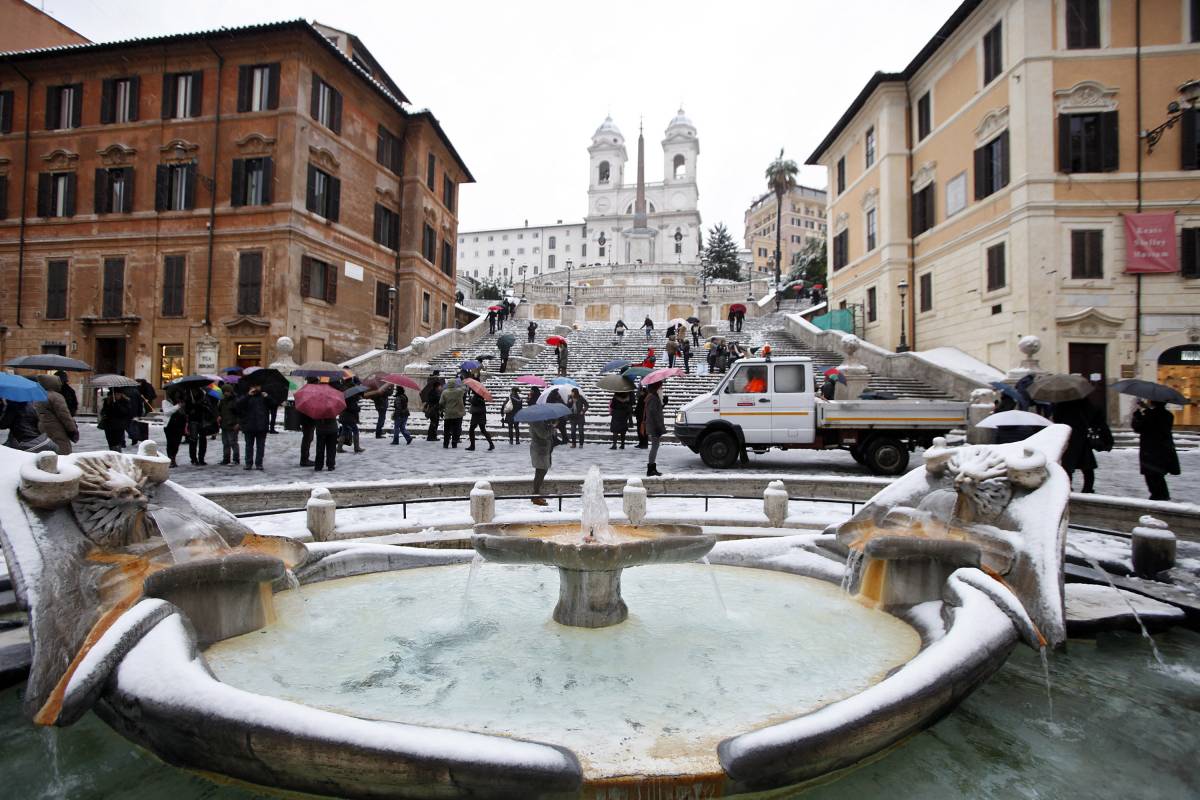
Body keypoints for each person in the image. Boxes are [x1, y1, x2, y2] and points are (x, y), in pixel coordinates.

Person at [1132, 400, 1180, 501]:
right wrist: (1146, 409)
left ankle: (1158, 496)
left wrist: (1137, 416)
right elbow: (1156, 419)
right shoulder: (1168, 415)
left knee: (1151, 475)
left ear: (1154, 403)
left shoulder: (1151, 415)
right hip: (1163, 449)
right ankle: (1162, 495)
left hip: (1150, 450)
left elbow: (1138, 427)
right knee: (1158, 474)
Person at [1052, 398, 1102, 493]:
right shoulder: (1085, 402)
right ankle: (1088, 488)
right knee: (1087, 466)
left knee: (1067, 466)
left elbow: (1057, 419)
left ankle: (1067, 487)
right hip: (1082, 436)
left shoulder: (1062, 403)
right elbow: (1094, 416)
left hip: (1068, 436)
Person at [33, 374, 78, 455]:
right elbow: (64, 415)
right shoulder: (56, 396)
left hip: (42, 426)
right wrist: (72, 429)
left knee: (47, 449)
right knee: (63, 450)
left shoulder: (39, 395)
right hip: (56, 428)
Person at [235, 384, 276, 470]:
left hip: (262, 426)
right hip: (249, 426)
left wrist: (268, 397)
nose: (256, 388)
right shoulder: (247, 396)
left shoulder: (264, 397)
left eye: (258, 386)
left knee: (260, 446)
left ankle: (259, 463)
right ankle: (248, 463)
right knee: (249, 446)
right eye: (254, 386)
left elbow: (274, 405)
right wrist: (247, 395)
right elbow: (238, 405)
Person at [528, 418, 556, 506]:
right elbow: (543, 434)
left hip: (542, 450)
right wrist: (552, 428)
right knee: (540, 472)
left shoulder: (539, 421)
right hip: (540, 451)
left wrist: (549, 426)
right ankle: (535, 496)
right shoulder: (536, 422)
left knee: (541, 472)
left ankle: (536, 495)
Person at [185, 388, 215, 465]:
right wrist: (191, 408)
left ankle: (201, 458)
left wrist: (202, 405)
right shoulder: (188, 396)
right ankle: (193, 458)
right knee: (193, 440)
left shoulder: (204, 395)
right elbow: (186, 409)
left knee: (203, 440)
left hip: (202, 420)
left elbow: (209, 407)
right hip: (193, 421)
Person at [643, 382, 666, 477]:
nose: (661, 388)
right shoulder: (652, 397)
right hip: (654, 426)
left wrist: (663, 404)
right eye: (660, 386)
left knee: (655, 447)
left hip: (654, 425)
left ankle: (652, 468)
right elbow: (653, 413)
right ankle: (650, 469)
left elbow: (656, 410)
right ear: (656, 387)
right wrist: (658, 427)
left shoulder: (653, 396)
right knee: (654, 447)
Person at [217, 384, 241, 466]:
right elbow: (219, 410)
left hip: (233, 425)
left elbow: (240, 413)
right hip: (224, 424)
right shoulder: (223, 401)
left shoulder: (236, 401)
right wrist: (219, 416)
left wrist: (238, 423)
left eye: (227, 392)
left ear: (230, 391)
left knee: (233, 442)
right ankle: (226, 459)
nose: (225, 393)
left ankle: (236, 459)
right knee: (225, 443)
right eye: (224, 392)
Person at [162, 390, 187, 467]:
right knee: (170, 442)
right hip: (170, 425)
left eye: (178, 394)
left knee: (177, 442)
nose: (177, 396)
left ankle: (174, 457)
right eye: (176, 394)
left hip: (180, 424)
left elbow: (185, 413)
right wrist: (177, 406)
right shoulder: (166, 402)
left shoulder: (182, 402)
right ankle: (170, 459)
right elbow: (167, 412)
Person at [439, 379, 466, 448]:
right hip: (457, 414)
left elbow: (441, 403)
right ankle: (454, 443)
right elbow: (464, 388)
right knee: (456, 429)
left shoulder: (444, 392)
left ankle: (446, 443)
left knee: (447, 429)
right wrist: (460, 384)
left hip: (448, 413)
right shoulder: (459, 391)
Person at [297, 377, 318, 466]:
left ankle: (304, 458)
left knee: (308, 438)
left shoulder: (304, 389)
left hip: (305, 418)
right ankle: (304, 459)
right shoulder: (312, 391)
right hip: (308, 419)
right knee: (307, 439)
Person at [421, 373, 444, 441]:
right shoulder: (434, 393)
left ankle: (432, 436)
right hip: (433, 410)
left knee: (434, 423)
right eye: (440, 386)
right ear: (437, 386)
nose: (440, 387)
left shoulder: (434, 392)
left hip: (434, 409)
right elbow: (437, 400)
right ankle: (431, 436)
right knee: (434, 423)